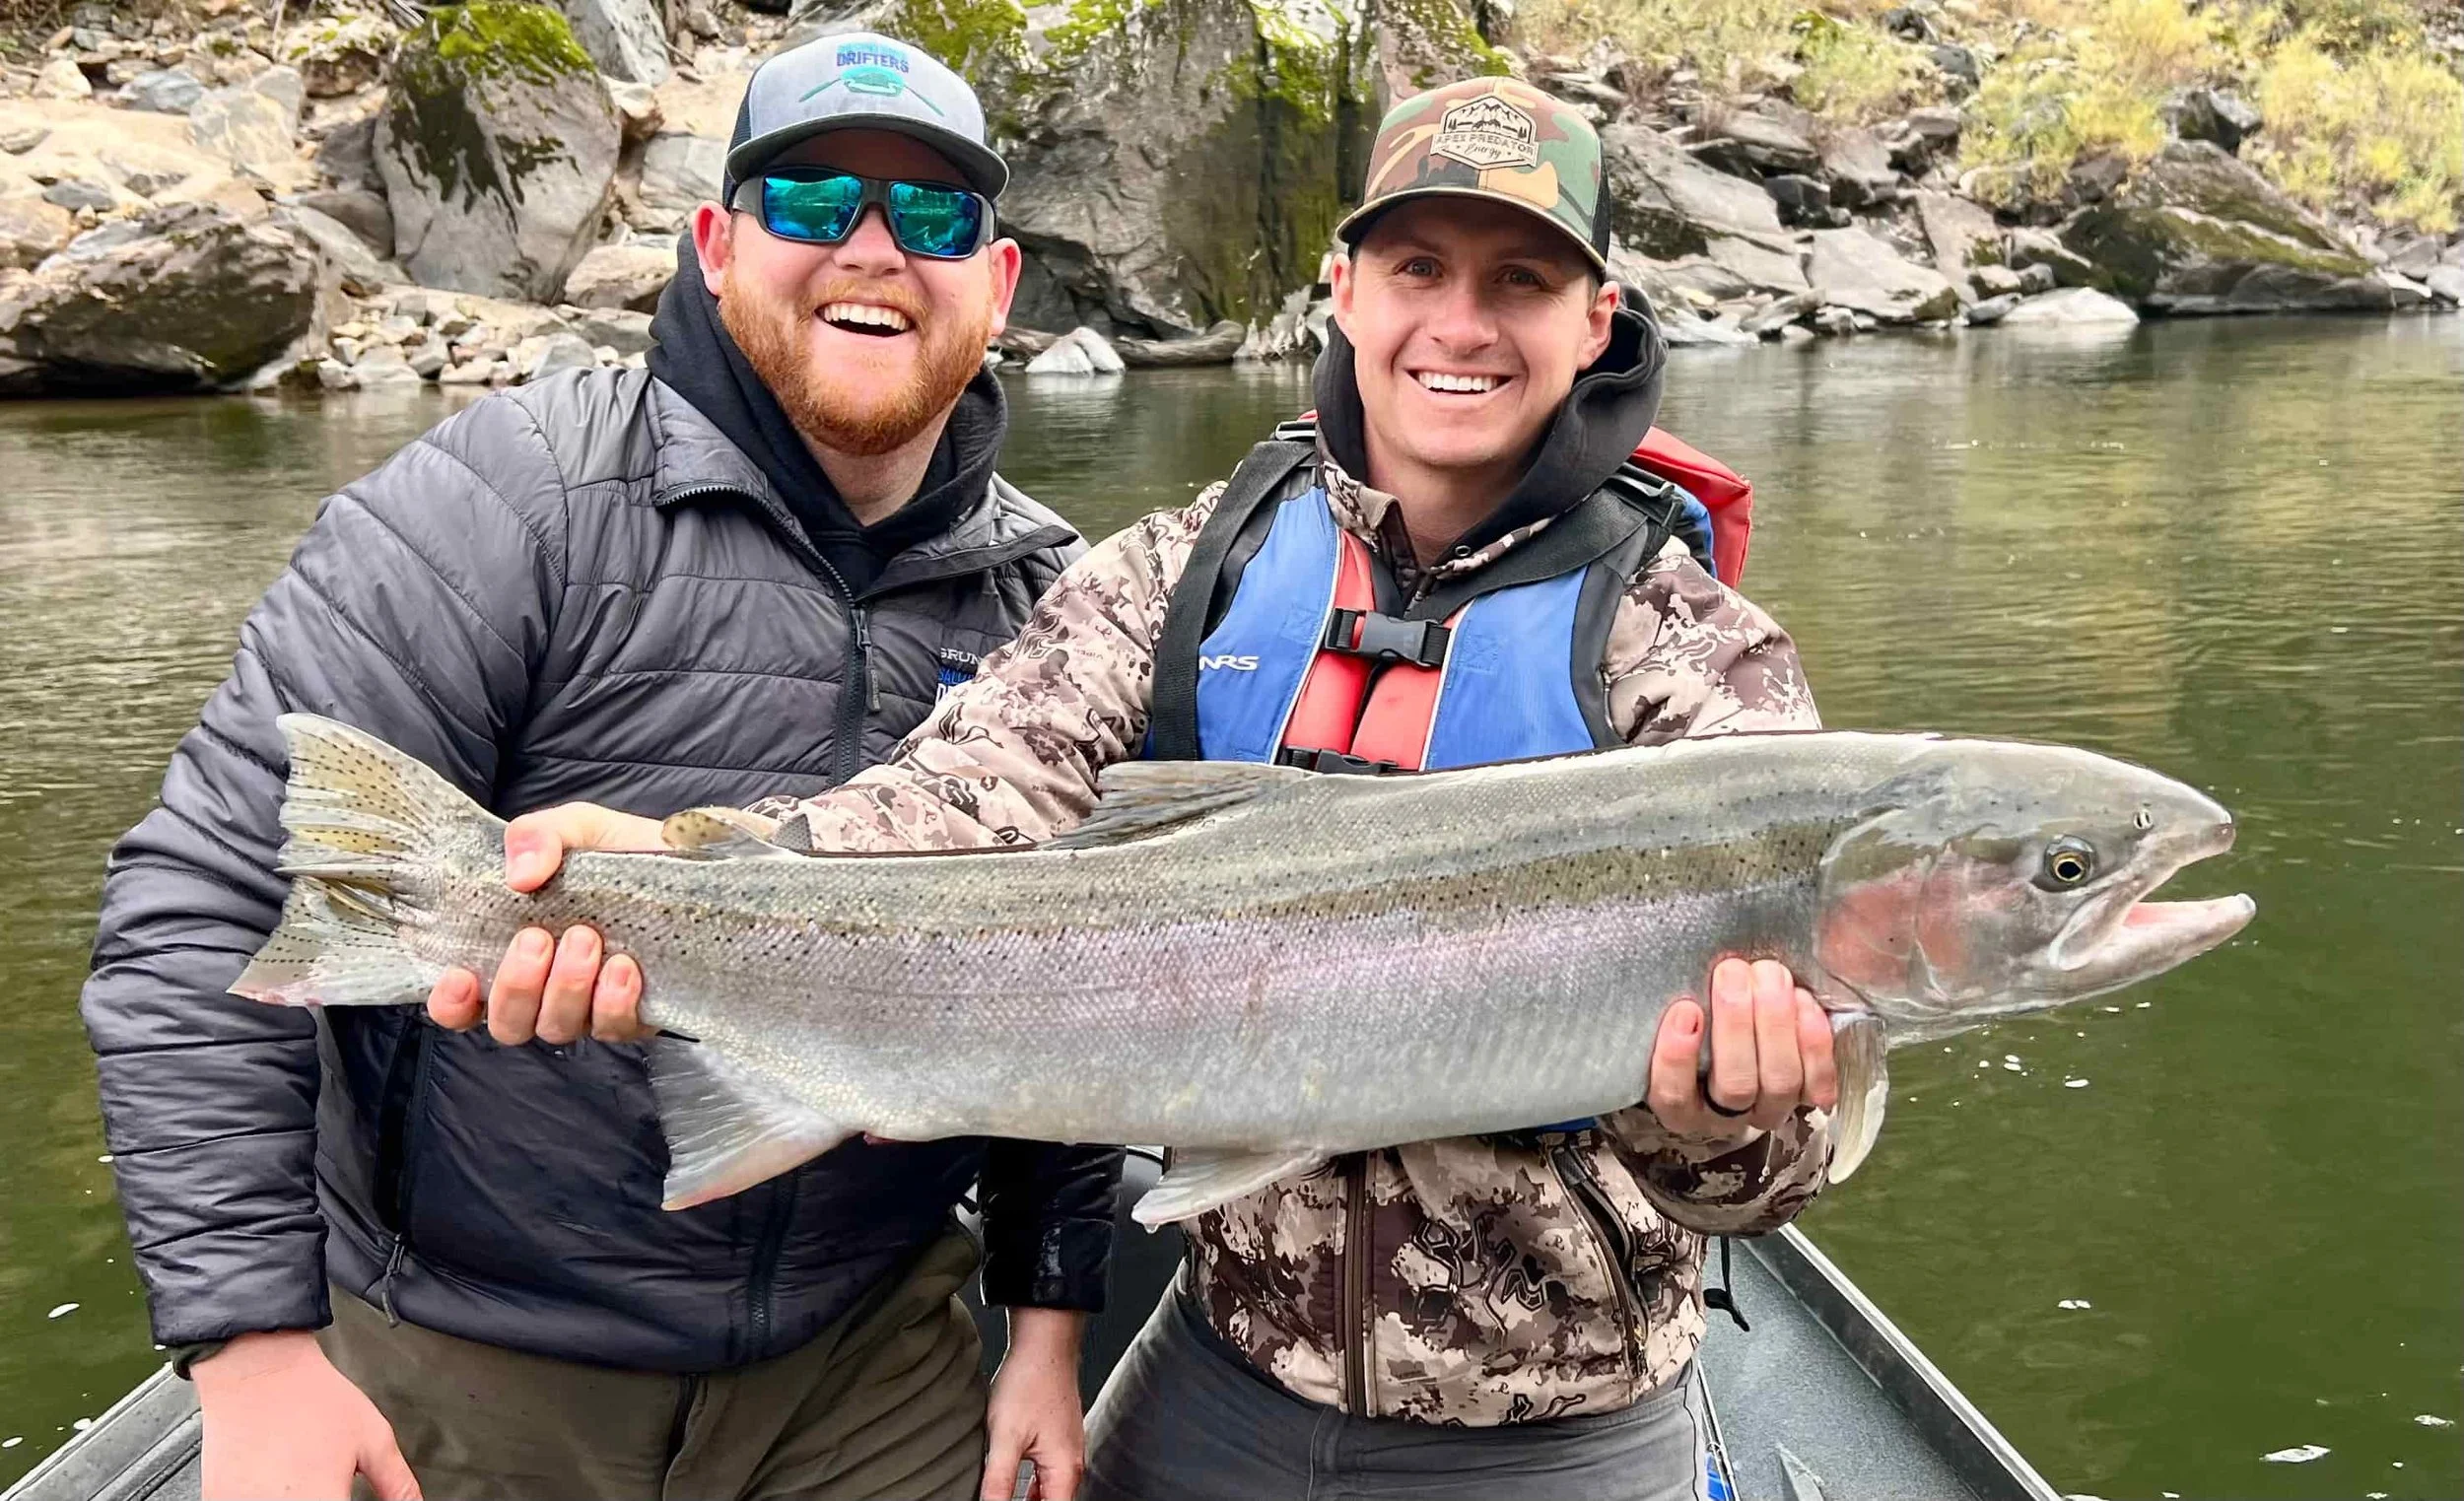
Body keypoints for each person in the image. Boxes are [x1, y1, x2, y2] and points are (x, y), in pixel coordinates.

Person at [433, 76, 1838, 1501]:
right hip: (1218, 1375)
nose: (1460, 325)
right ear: (1344, 292)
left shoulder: (1700, 667)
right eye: (1420, 268)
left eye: (1520, 280)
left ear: (1594, 321)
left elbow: (1779, 1179)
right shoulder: (1177, 579)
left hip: (1563, 1431)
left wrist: (1724, 1120)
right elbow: (960, 802)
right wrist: (686, 871)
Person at [80, 33, 1120, 1501]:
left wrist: (1048, 1327)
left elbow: (1092, 1005)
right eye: (816, 203)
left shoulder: (1057, 608)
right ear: (714, 247)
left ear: (999, 285)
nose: (874, 250)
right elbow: (201, 905)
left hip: (870, 1357)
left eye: (934, 216)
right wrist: (253, 1357)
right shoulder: (505, 500)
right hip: (474, 1351)